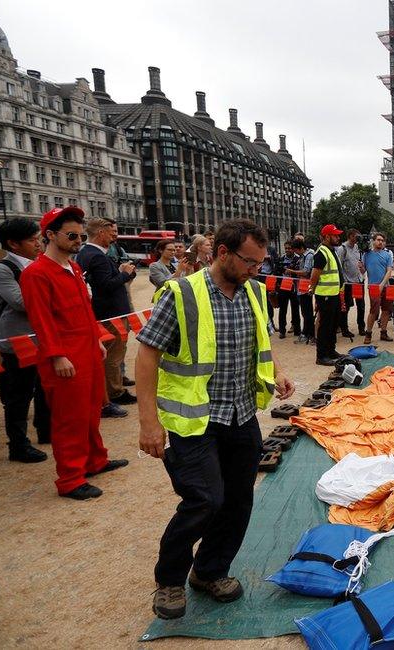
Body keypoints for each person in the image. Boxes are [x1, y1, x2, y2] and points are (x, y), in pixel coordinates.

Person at [136, 219, 294, 620]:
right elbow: (147, 353)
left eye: (260, 263)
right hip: (195, 419)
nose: (255, 269)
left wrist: (276, 371)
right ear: (222, 253)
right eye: (249, 262)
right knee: (204, 499)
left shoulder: (255, 292)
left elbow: (261, 339)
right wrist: (148, 422)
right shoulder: (181, 292)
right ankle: (170, 579)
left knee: (239, 500)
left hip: (240, 414)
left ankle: (209, 571)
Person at [20, 206, 128, 499]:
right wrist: (57, 355)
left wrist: (95, 340)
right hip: (65, 355)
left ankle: (95, 460)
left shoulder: (74, 267)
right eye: (72, 235)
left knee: (92, 409)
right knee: (70, 418)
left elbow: (84, 310)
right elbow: (41, 320)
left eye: (81, 234)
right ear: (51, 235)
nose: (79, 239)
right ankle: (70, 478)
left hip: (85, 350)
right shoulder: (37, 274)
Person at [0, 218, 50, 463]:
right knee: (18, 395)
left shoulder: (40, 264)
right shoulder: (2, 269)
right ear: (13, 244)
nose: (38, 244)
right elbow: (22, 302)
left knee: (46, 387)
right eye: (32, 240)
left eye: (38, 238)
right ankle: (18, 445)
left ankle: (45, 429)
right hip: (18, 342)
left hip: (43, 337)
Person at [76, 217, 138, 415]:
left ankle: (113, 387)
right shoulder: (97, 256)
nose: (114, 236)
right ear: (101, 232)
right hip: (111, 314)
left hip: (105, 313)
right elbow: (106, 285)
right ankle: (115, 392)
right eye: (111, 233)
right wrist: (125, 273)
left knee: (111, 353)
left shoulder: (86, 253)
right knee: (113, 354)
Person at [311, 224, 345, 366]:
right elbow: (314, 276)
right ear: (326, 236)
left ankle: (331, 351)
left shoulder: (332, 250)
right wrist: (315, 293)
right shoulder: (322, 253)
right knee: (325, 326)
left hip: (334, 294)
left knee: (332, 324)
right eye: (335, 235)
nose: (338, 237)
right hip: (325, 295)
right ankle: (321, 355)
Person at [362, 233, 394, 344]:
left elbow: (389, 271)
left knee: (386, 310)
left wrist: (382, 284)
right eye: (378, 240)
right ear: (373, 241)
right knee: (374, 311)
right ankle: (368, 333)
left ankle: (383, 332)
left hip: (385, 286)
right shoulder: (366, 254)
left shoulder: (387, 255)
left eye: (382, 240)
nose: (380, 242)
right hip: (373, 286)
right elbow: (363, 271)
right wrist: (361, 267)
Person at [337, 229, 366, 338]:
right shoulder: (342, 249)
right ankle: (344, 329)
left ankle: (361, 327)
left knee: (361, 305)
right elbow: (339, 266)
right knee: (346, 306)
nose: (358, 239)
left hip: (358, 281)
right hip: (348, 282)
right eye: (356, 237)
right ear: (350, 236)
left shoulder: (358, 248)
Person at [287, 239, 315, 345]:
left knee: (307, 312)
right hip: (302, 287)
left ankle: (310, 335)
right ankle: (307, 333)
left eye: (295, 251)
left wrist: (292, 271)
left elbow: (306, 271)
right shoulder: (304, 256)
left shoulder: (309, 256)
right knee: (305, 312)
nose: (295, 253)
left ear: (300, 248)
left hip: (306, 287)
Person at [274, 241, 301, 340]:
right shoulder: (280, 259)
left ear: (293, 249)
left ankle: (297, 330)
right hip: (283, 288)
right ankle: (282, 331)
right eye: (286, 248)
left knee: (295, 310)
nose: (287, 250)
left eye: (289, 248)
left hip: (294, 288)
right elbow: (276, 272)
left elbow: (299, 273)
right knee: (283, 310)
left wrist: (291, 272)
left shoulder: (298, 259)